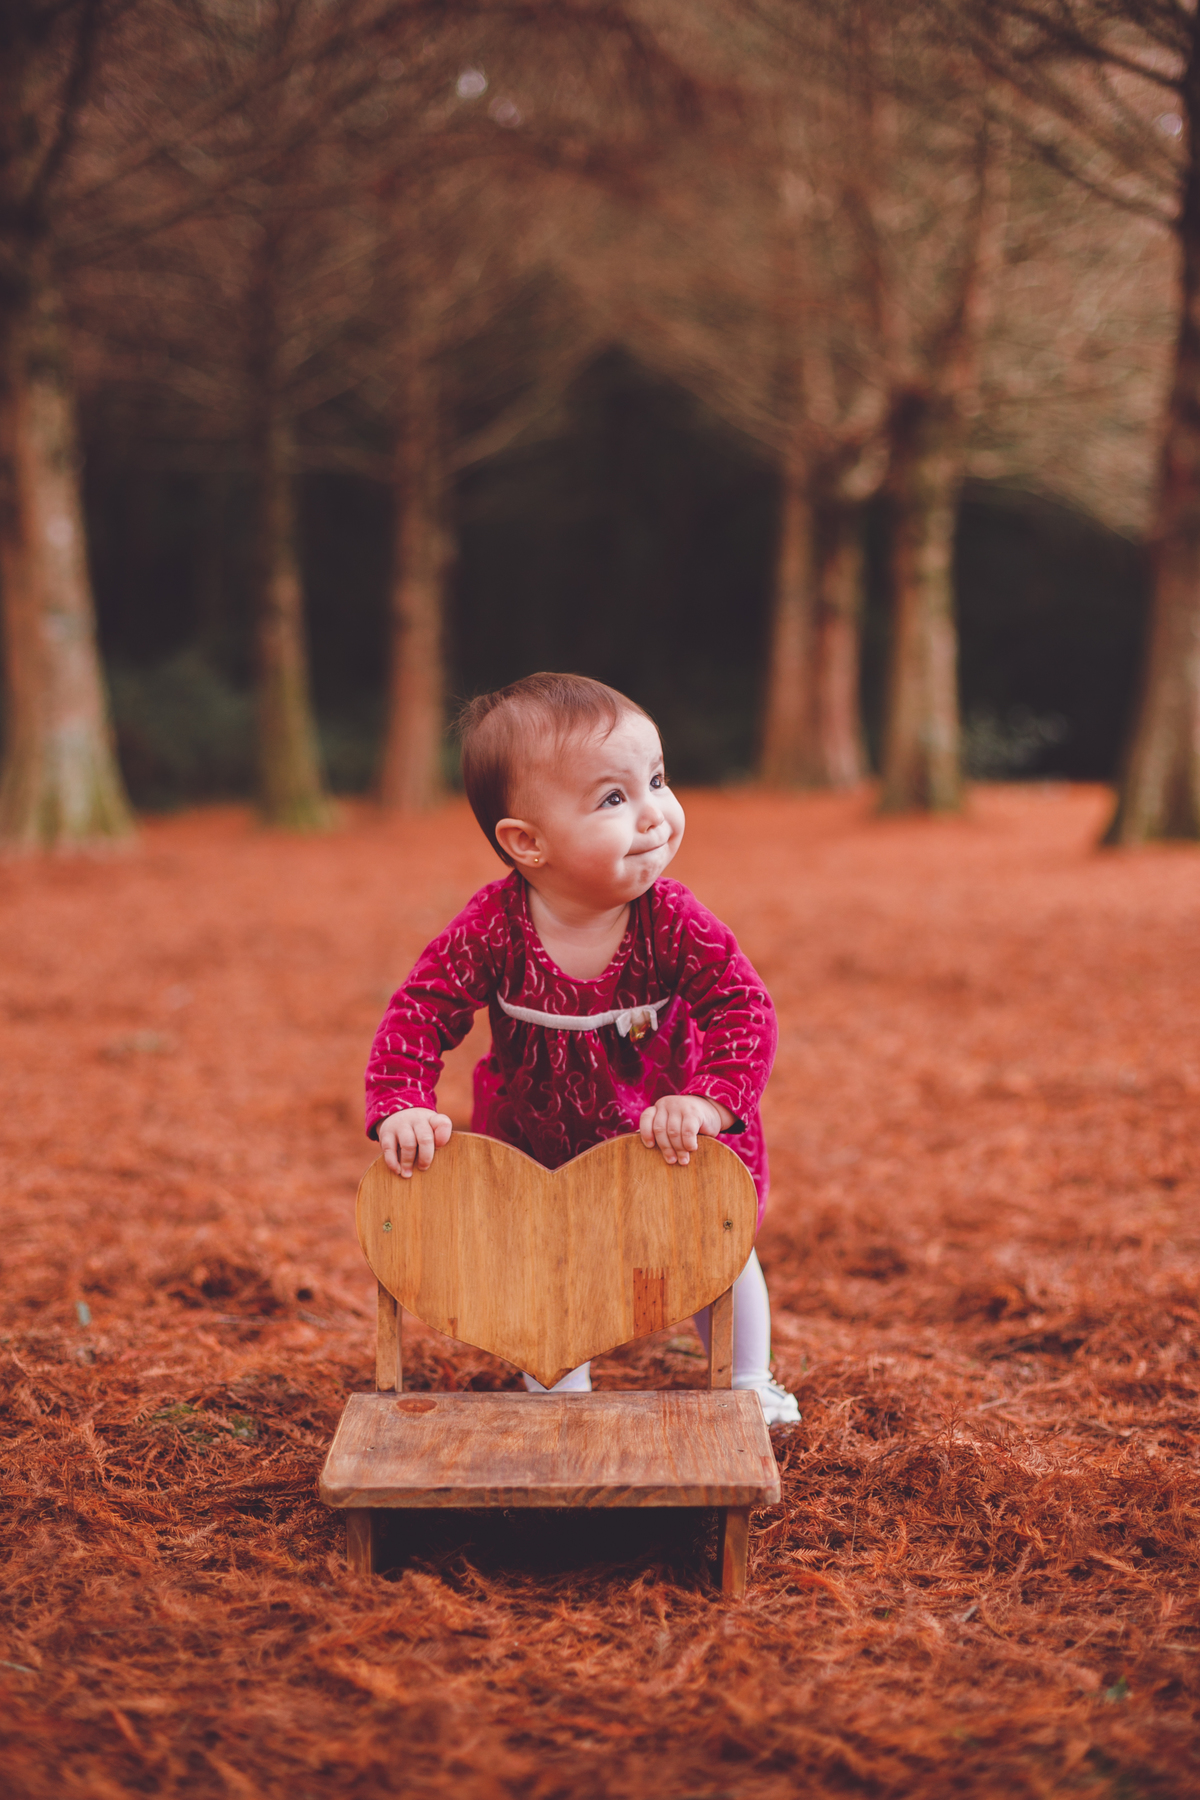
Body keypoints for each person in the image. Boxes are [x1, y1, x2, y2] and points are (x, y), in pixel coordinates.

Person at [365, 672, 800, 1426]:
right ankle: (557, 1390)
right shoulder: (495, 928)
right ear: (526, 842)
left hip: (665, 1137)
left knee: (717, 1249)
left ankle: (747, 1379)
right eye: (613, 799)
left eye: (657, 780)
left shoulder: (673, 921)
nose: (655, 815)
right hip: (542, 1144)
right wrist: (402, 1103)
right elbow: (421, 1009)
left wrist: (708, 1099)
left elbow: (743, 1007)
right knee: (547, 1268)